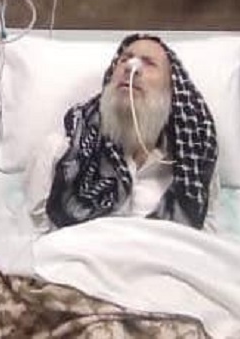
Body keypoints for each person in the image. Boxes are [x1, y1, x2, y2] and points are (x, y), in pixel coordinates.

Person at [26, 33, 219, 231]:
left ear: (172, 90)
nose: (131, 67)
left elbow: (202, 242)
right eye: (125, 59)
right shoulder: (59, 152)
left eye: (149, 63)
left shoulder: (195, 165)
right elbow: (36, 237)